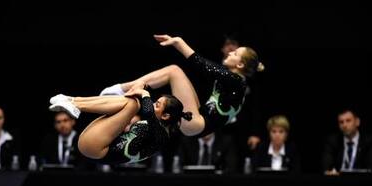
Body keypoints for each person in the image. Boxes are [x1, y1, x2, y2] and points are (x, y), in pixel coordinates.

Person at [100, 34, 264, 137]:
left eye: (235, 54)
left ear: (241, 65)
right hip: (198, 121)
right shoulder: (236, 81)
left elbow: (202, 65)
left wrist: (179, 43)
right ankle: (121, 90)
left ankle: (120, 90)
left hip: (196, 124)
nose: (229, 53)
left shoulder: (236, 80)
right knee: (175, 72)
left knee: (174, 71)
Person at [48, 89, 191, 164]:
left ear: (166, 116)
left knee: (134, 104)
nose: (153, 104)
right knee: (132, 103)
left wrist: (144, 93)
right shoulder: (153, 128)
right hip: (97, 146)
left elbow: (147, 111)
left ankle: (74, 103)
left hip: (96, 149)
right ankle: (72, 101)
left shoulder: (161, 135)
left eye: (157, 105)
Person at [322, 109, 372, 175]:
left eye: (348, 121)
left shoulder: (368, 141)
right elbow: (326, 167)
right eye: (341, 122)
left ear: (357, 122)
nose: (344, 125)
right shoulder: (333, 141)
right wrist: (328, 172)